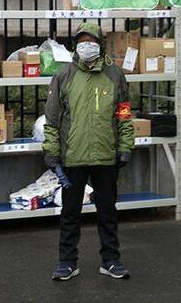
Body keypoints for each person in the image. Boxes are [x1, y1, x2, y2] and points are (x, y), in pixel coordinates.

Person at [43, 22, 135, 281]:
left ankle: (111, 260)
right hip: (72, 156)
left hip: (106, 155)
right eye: (82, 41)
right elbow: (51, 120)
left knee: (107, 211)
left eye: (91, 41)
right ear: (75, 45)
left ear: (100, 45)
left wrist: (126, 146)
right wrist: (51, 152)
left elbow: (124, 115)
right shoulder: (63, 76)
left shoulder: (115, 76)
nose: (87, 46)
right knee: (70, 213)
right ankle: (67, 262)